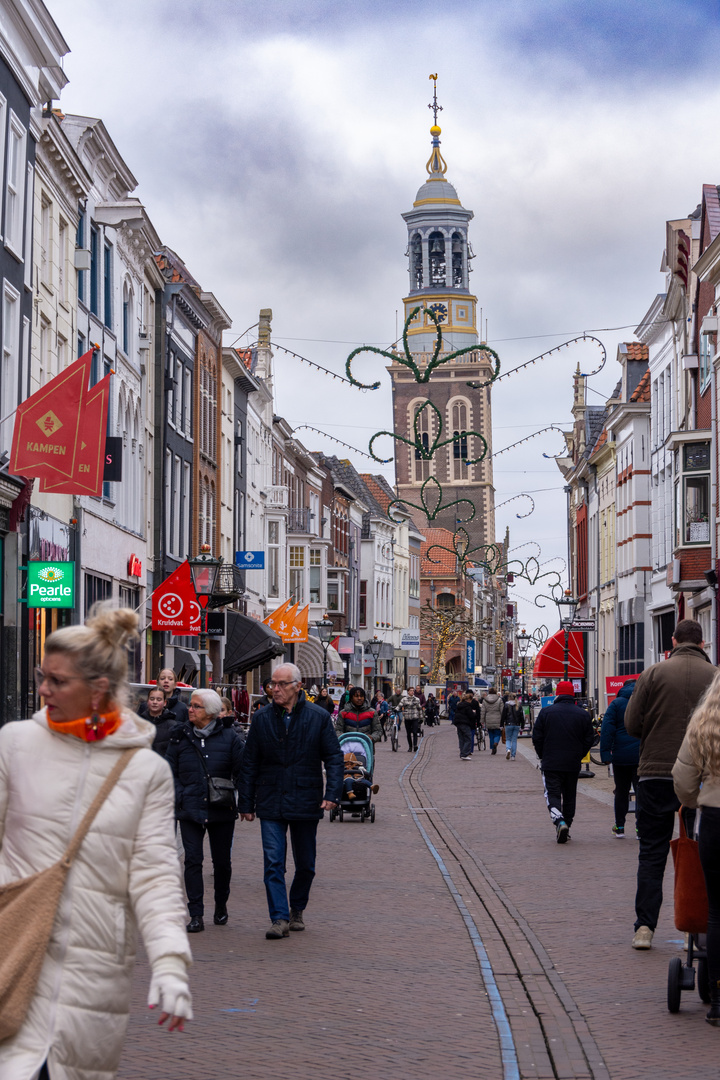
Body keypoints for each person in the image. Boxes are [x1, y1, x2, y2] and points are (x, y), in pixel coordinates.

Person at [0, 605, 192, 1078]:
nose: (43, 689)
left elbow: (155, 874)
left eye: (58, 681)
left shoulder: (145, 771)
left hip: (91, 975)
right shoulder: (16, 743)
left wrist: (169, 963)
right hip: (12, 952)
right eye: (43, 676)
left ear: (99, 689)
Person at [625, 618, 715, 950]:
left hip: (655, 774)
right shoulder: (715, 677)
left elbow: (632, 724)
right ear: (702, 644)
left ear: (673, 642)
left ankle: (645, 927)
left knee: (651, 852)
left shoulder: (652, 674)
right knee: (702, 852)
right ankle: (701, 927)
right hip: (703, 779)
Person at [238, 663, 342, 939]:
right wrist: (246, 803)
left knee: (306, 863)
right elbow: (249, 763)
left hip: (306, 797)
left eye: (282, 684)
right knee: (273, 861)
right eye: (273, 684)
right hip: (270, 797)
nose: (276, 689)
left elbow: (333, 757)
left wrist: (332, 793)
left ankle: (297, 907)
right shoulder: (261, 719)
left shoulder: (318, 717)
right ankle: (279, 918)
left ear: (298, 686)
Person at [166, 688, 245, 933]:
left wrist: (242, 801)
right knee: (192, 861)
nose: (190, 709)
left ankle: (220, 905)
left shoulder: (230, 737)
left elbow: (241, 769)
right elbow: (170, 770)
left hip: (221, 807)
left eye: (196, 706)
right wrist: (180, 795)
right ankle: (196, 914)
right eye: (190, 705)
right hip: (190, 807)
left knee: (221, 862)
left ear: (210, 712)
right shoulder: (179, 735)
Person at [672, 673, 720, 1025]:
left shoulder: (704, 726)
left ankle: (717, 1001)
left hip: (715, 820)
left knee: (715, 912)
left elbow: (684, 781)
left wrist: (694, 803)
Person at [532, 680, 595, 843]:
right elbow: (589, 738)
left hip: (551, 762)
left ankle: (559, 821)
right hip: (572, 763)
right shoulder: (582, 714)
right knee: (569, 795)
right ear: (573, 695)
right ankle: (567, 825)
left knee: (552, 793)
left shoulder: (546, 713)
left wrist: (542, 754)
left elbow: (537, 736)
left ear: (557, 694)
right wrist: (579, 754)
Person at [599, 681, 640, 837]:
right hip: (640, 755)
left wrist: (605, 755)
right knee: (640, 792)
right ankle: (640, 828)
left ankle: (620, 827)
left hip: (620, 757)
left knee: (621, 792)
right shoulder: (644, 702)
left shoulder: (616, 704)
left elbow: (607, 730)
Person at [137, 685, 176, 757]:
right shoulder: (139, 723)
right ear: (147, 701)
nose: (155, 702)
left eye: (159, 699)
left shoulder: (172, 726)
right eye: (152, 699)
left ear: (165, 703)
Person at [454, 690, 479, 760]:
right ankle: (465, 753)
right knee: (468, 738)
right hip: (465, 723)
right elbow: (471, 716)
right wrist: (474, 713)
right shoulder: (468, 706)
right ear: (468, 700)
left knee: (461, 739)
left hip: (458, 723)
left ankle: (462, 753)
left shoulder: (459, 705)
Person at [400, 685, 423, 752]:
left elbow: (419, 709)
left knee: (415, 732)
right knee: (408, 733)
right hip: (407, 718)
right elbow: (400, 705)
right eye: (411, 690)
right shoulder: (404, 699)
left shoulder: (416, 699)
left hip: (415, 717)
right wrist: (396, 709)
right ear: (408, 692)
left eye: (413, 690)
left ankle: (415, 745)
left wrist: (421, 718)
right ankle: (410, 746)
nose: (412, 692)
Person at [481, 687, 504, 754]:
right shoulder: (499, 700)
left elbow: (483, 711)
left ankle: (492, 748)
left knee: (491, 735)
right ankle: (496, 743)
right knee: (497, 733)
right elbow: (502, 711)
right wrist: (503, 720)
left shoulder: (485, 700)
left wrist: (482, 720)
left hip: (488, 719)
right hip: (498, 719)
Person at [502, 694, 523, 761]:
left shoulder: (506, 705)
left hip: (508, 724)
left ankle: (508, 749)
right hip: (516, 724)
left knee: (508, 739)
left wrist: (501, 724)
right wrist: (522, 725)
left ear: (509, 698)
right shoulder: (518, 705)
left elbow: (503, 715)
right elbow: (521, 716)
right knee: (514, 740)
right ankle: (513, 756)